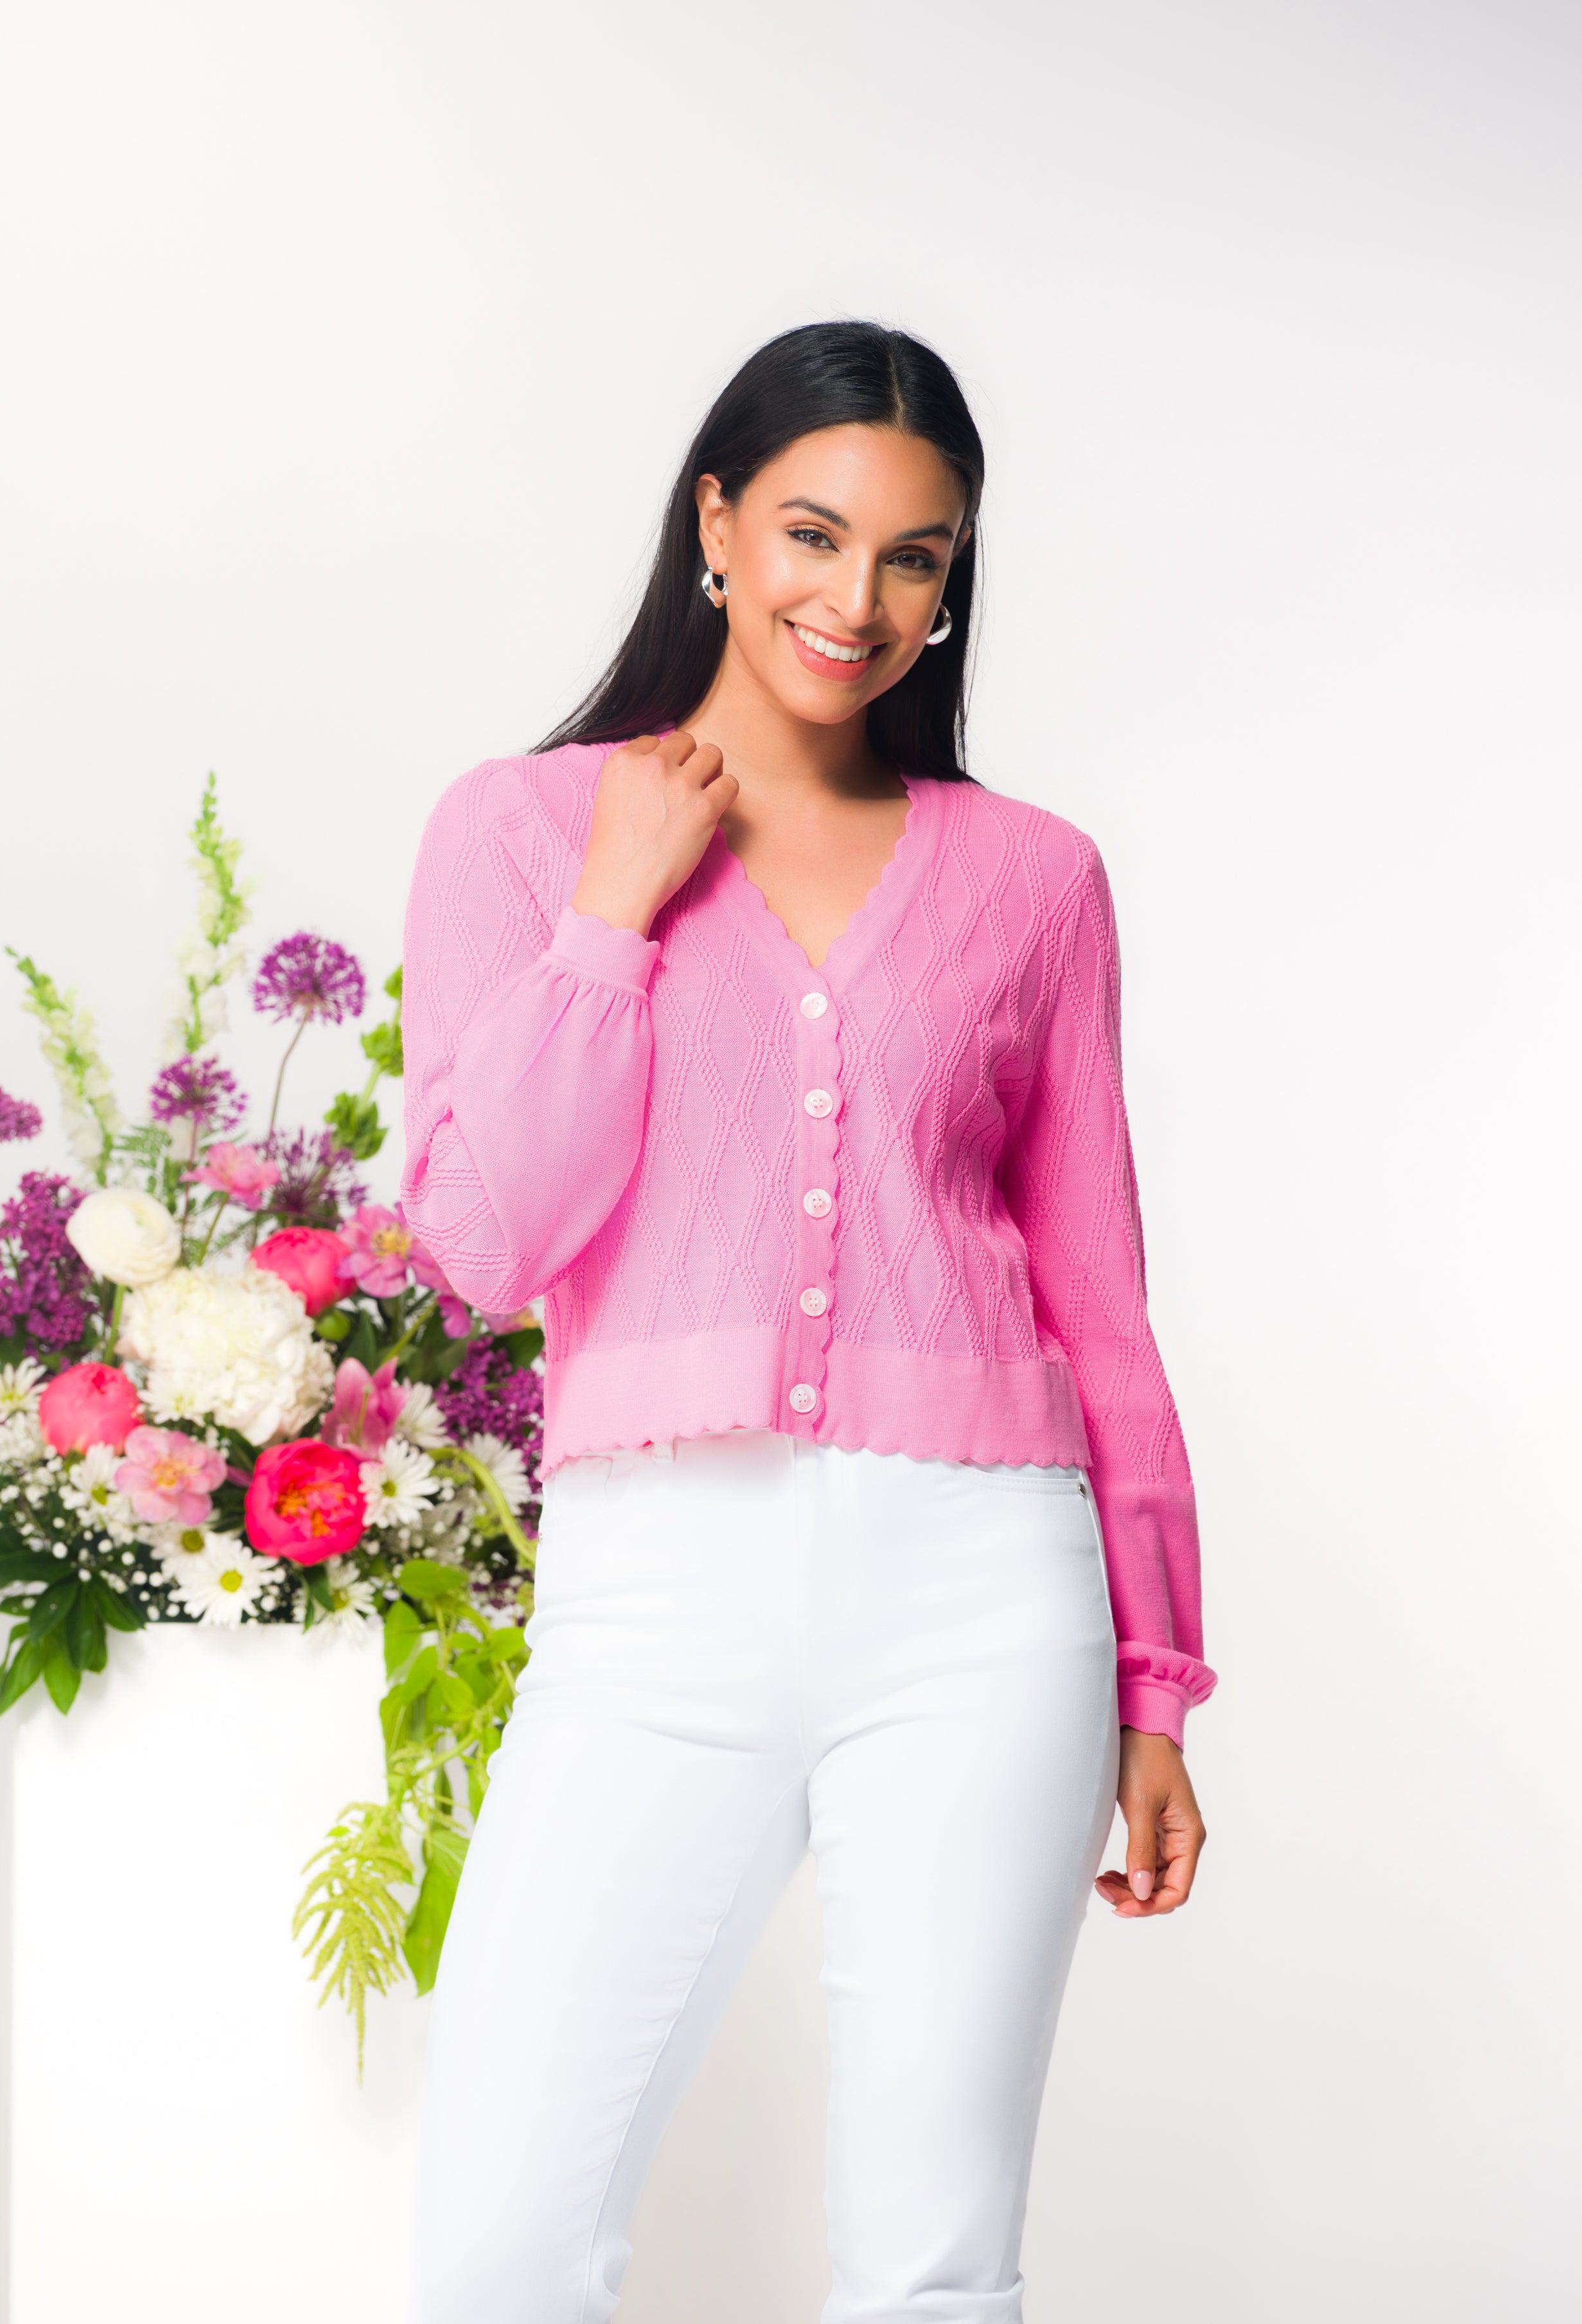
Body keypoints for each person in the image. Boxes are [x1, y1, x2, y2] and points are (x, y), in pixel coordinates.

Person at [396, 320, 1217, 2324]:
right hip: (655, 1592)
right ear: (715, 524)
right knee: (497, 2247)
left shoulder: (1035, 881)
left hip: (984, 1596)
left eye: (913, 556)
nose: (856, 599)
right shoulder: (521, 828)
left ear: (952, 581)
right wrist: (612, 913)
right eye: (812, 534)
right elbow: (485, 1243)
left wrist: (1152, 1683)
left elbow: (1097, 1300)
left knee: (932, 2263)